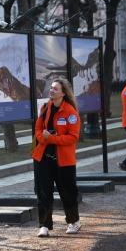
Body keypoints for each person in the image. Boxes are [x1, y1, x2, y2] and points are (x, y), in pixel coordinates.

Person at [32, 79, 81, 237]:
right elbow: (38, 128)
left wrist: (52, 138)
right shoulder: (45, 107)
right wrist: (43, 138)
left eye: (55, 88)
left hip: (64, 160)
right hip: (43, 158)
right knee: (43, 192)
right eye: (51, 88)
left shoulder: (71, 112)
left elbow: (73, 137)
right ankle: (44, 225)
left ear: (63, 92)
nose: (51, 91)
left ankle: (73, 222)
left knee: (67, 192)